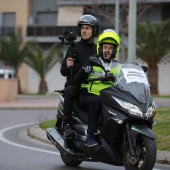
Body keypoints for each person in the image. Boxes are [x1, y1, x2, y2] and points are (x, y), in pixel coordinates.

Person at [74, 29, 121, 147]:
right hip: (88, 95)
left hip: (108, 97)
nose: (107, 50)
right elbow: (76, 80)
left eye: (110, 48)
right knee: (97, 100)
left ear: (115, 50)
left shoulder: (118, 66)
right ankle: (90, 135)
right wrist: (84, 71)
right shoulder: (92, 60)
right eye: (105, 47)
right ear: (100, 47)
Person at [60, 14, 100, 137]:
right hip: (75, 87)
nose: (84, 30)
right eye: (82, 28)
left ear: (94, 30)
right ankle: (65, 124)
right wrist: (67, 65)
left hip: (91, 88)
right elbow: (63, 72)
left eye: (87, 28)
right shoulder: (73, 48)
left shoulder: (97, 50)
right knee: (71, 89)